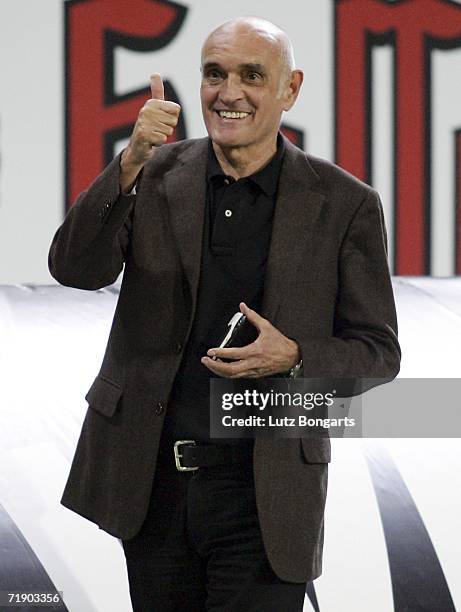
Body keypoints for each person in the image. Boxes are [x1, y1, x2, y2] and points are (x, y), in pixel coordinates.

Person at [48, 16, 401, 611]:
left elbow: (378, 352)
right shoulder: (154, 175)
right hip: (154, 487)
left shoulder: (345, 204)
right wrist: (129, 161)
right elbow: (76, 268)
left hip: (266, 494)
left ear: (290, 89)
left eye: (251, 76)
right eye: (214, 74)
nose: (228, 92)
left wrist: (295, 357)